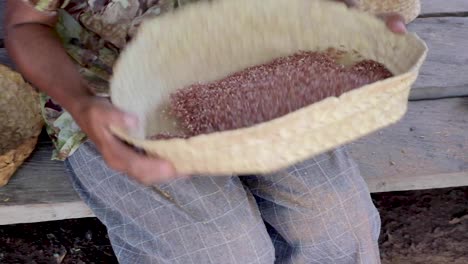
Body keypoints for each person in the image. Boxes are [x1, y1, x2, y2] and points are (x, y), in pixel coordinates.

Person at [5, 0, 407, 263]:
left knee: (338, 224)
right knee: (222, 250)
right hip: (114, 96)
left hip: (256, 73)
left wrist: (354, 23)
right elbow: (26, 23)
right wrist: (80, 102)